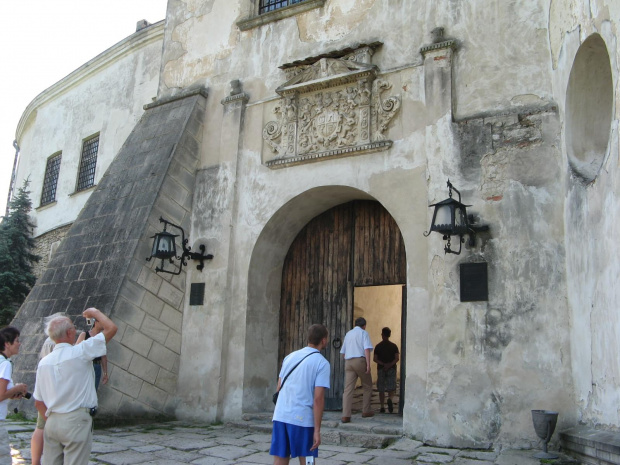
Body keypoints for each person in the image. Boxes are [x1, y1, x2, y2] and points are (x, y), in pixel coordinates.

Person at [34, 308, 117, 465]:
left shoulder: (43, 363)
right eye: (72, 327)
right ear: (69, 333)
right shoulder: (81, 352)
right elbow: (111, 328)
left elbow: (38, 402)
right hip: (76, 420)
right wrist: (94, 312)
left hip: (52, 421)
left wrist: (55, 419)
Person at [271, 324, 330, 465]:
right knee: (307, 459)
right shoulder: (322, 363)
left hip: (281, 416)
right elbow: (318, 399)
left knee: (280, 458)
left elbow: (278, 388)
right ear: (323, 340)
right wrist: (317, 430)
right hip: (302, 419)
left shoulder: (289, 357)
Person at [0, 327, 29, 463]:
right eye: (17, 340)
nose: (19, 343)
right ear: (7, 343)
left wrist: (11, 394)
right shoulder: (5, 364)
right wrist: (18, 388)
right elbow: (0, 395)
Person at [340, 317, 373, 422]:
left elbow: (343, 352)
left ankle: (346, 415)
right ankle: (366, 410)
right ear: (364, 325)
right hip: (360, 360)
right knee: (367, 385)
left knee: (348, 389)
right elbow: (366, 349)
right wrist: (368, 364)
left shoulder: (348, 334)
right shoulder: (364, 333)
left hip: (349, 362)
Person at [31, 334, 56, 465]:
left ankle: (36, 461)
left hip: (46, 382)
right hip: (51, 390)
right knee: (41, 425)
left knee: (40, 426)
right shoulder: (54, 342)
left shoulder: (48, 341)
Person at [76, 319, 108, 390]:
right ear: (96, 322)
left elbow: (103, 357)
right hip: (87, 365)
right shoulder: (84, 335)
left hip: (97, 366)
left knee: (93, 390)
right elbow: (76, 351)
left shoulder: (101, 338)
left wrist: (105, 373)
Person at [373, 327, 400, 414]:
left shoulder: (378, 346)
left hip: (381, 369)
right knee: (391, 387)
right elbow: (397, 358)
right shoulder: (394, 346)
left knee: (381, 388)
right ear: (389, 335)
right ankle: (390, 399)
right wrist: (389, 365)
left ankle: (381, 406)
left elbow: (375, 359)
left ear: (382, 335)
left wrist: (383, 364)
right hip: (391, 368)